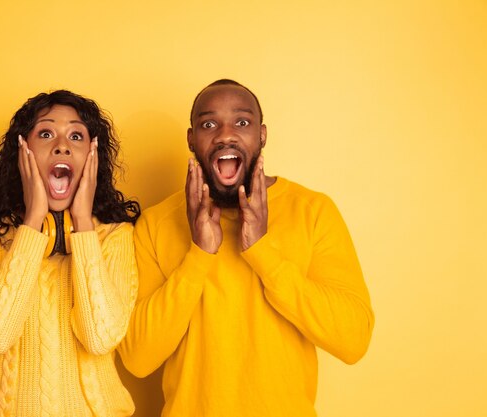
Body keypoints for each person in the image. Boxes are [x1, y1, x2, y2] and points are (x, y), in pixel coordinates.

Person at [118, 79, 374, 416]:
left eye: (242, 122)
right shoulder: (156, 223)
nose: (226, 134)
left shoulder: (312, 211)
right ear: (192, 139)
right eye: (209, 124)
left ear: (262, 135)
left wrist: (263, 252)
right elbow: (138, 358)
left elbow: (353, 340)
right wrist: (199, 256)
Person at [0, 90, 140, 417]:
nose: (61, 145)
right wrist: (33, 221)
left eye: (76, 136)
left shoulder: (113, 236)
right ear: (23, 152)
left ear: (93, 156)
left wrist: (82, 224)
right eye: (46, 133)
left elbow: (100, 338)